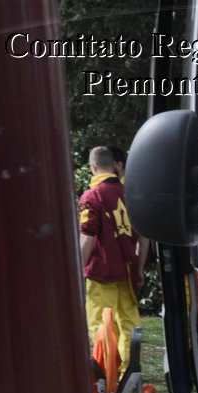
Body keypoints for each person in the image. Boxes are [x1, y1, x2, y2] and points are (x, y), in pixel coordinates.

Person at [78, 146, 146, 352]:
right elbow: (144, 238)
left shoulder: (92, 197)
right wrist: (139, 268)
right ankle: (130, 372)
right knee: (129, 323)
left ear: (93, 167)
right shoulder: (131, 193)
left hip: (102, 272)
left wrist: (77, 270)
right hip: (128, 270)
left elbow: (88, 238)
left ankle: (107, 378)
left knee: (101, 325)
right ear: (113, 167)